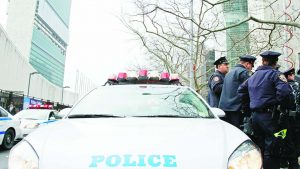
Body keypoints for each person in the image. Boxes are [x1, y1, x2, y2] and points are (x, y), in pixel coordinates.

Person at [238, 51, 294, 169]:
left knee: (260, 147)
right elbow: (284, 93)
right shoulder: (276, 75)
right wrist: (281, 107)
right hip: (271, 117)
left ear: (263, 61)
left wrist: (248, 108)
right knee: (273, 149)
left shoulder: (253, 76)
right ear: (275, 62)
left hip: (256, 117)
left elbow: (241, 91)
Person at [219, 55, 256, 128]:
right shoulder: (244, 72)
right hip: (236, 109)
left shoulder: (229, 72)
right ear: (247, 64)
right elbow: (249, 90)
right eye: (251, 66)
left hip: (224, 108)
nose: (251, 68)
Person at [282, 68, 300, 169]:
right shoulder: (296, 85)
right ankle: (294, 162)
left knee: (287, 139)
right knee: (296, 140)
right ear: (291, 75)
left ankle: (286, 161)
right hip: (297, 117)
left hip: (286, 117)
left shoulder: (283, 86)